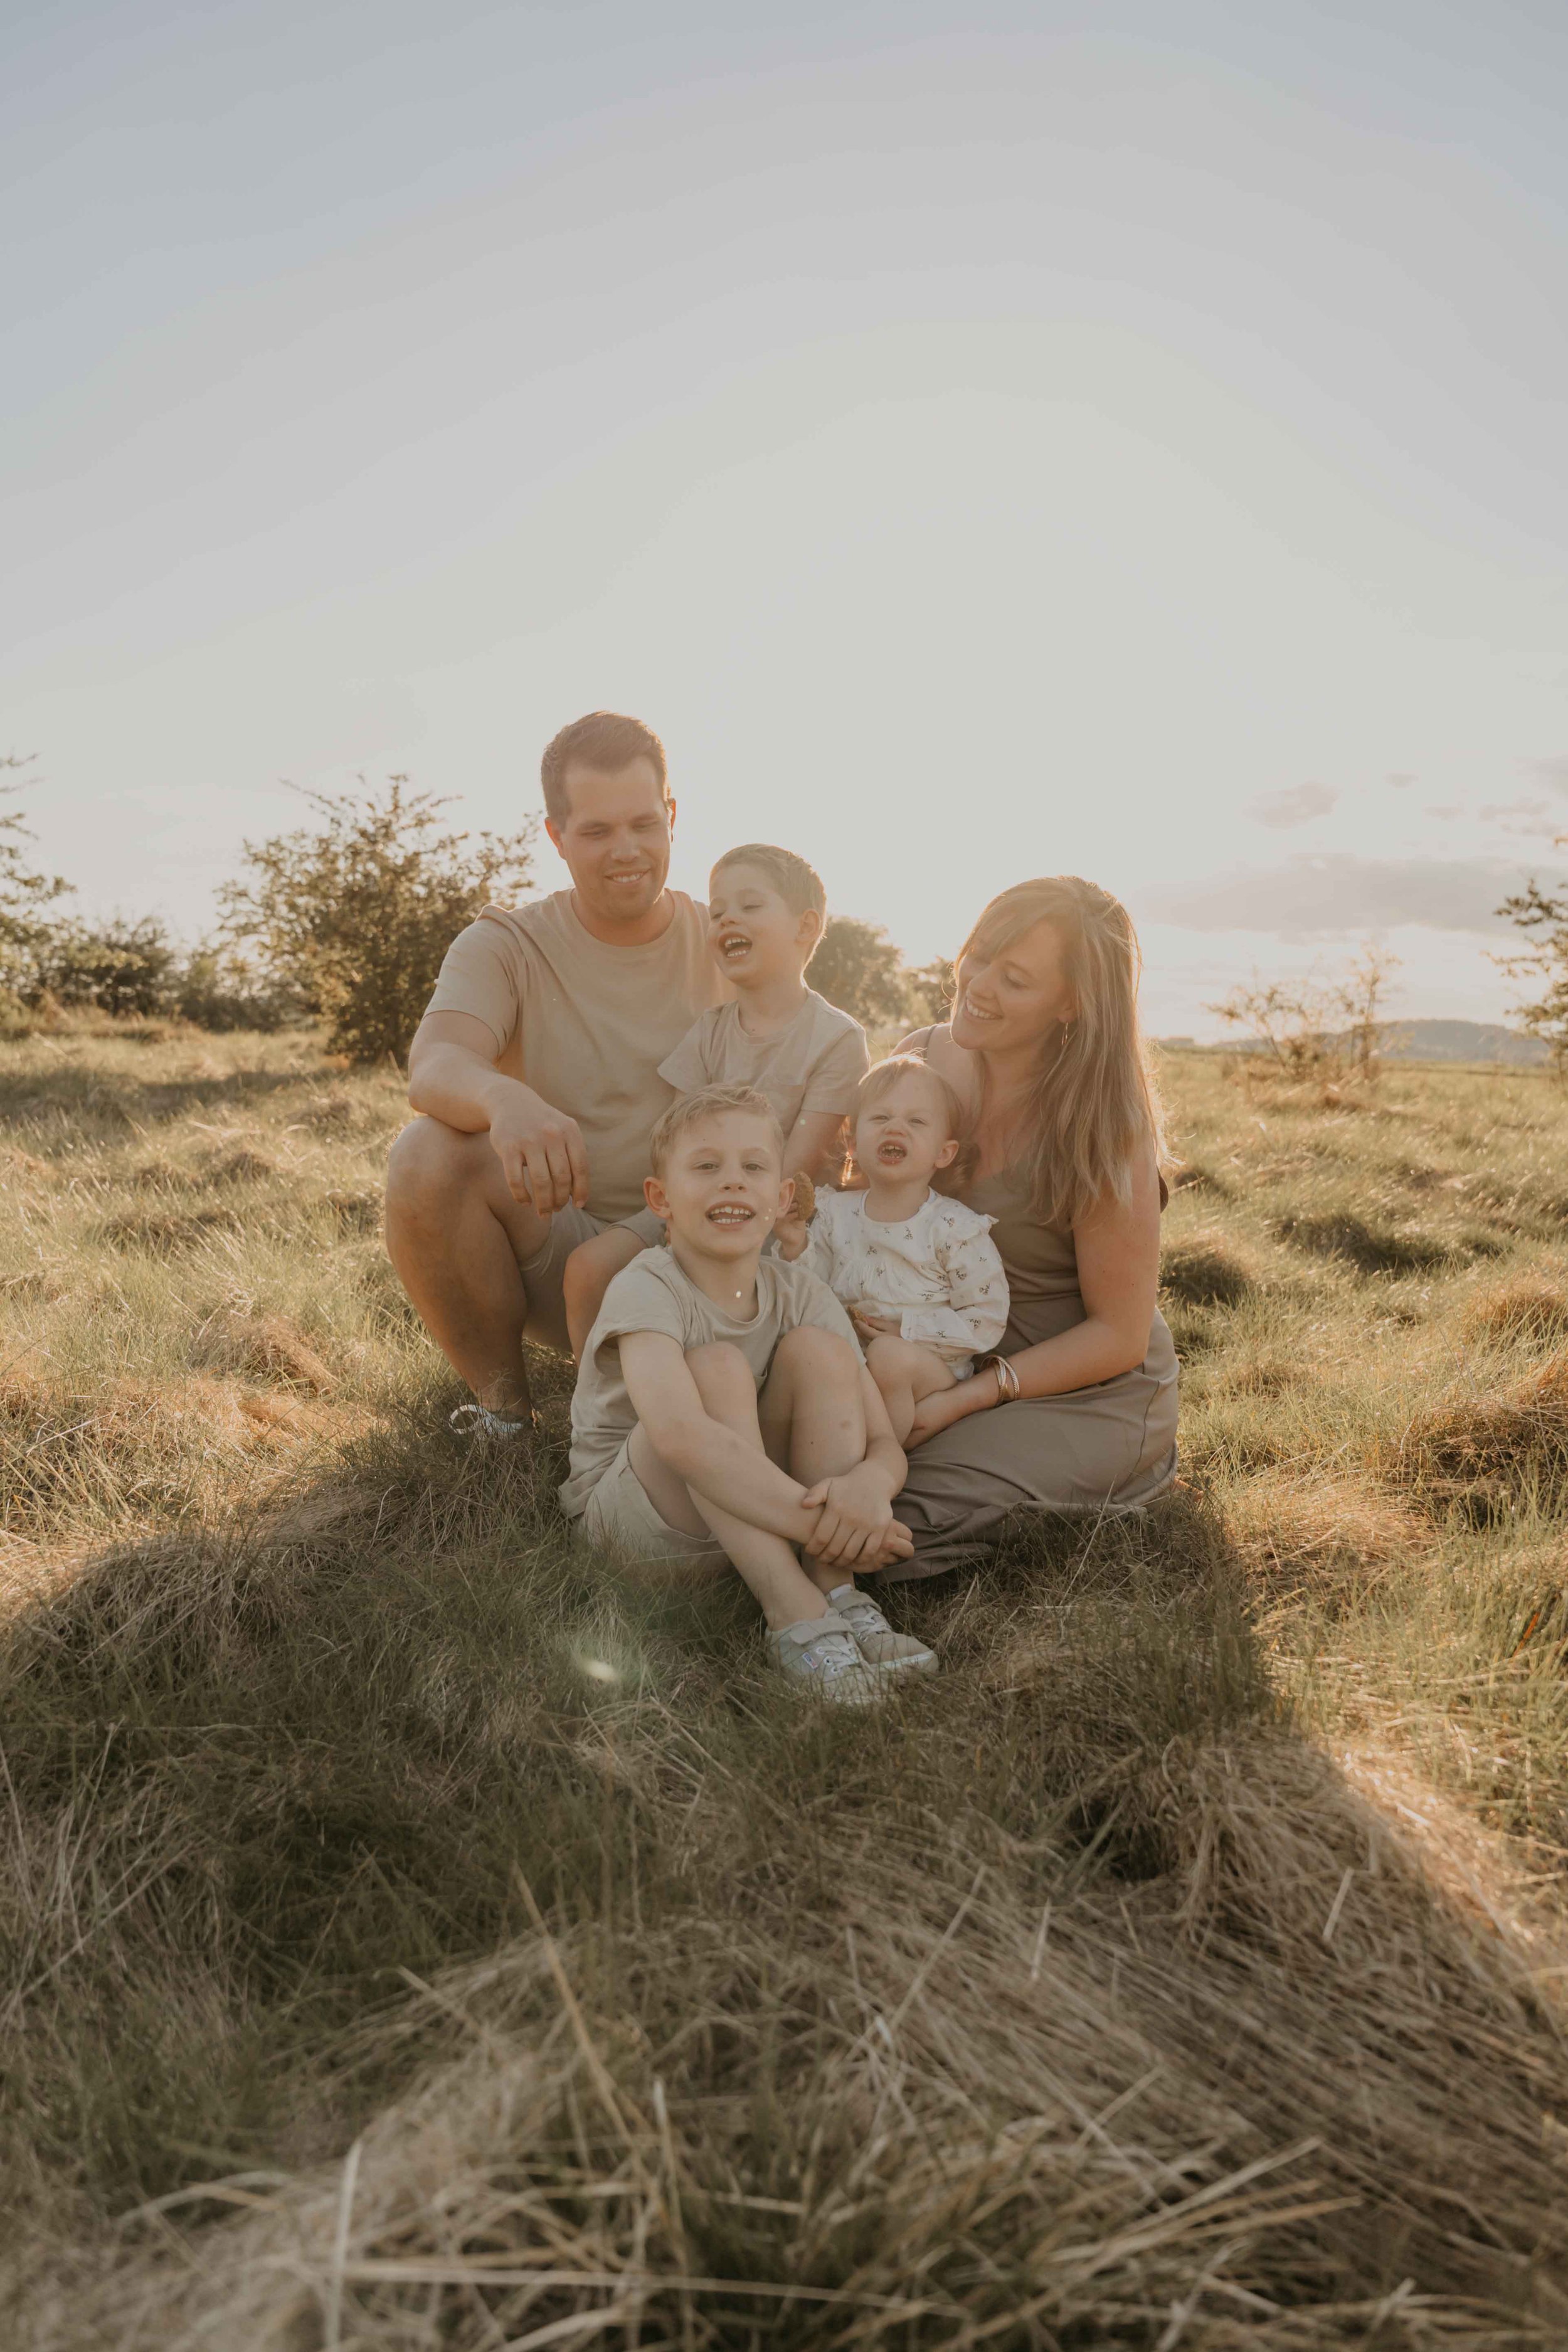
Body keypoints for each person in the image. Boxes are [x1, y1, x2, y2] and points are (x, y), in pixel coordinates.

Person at [384, 711, 726, 1435]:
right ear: (555, 836)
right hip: (560, 1248)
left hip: (709, 1244)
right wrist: (500, 1096)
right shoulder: (505, 944)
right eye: (597, 832)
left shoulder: (727, 939)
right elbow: (435, 1063)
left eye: (643, 824)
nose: (626, 850)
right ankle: (504, 1416)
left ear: (672, 816)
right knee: (424, 1155)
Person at [562, 1083, 936, 1699]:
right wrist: (820, 1523)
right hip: (639, 1524)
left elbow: (880, 1440)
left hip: (752, 1509)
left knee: (820, 1351)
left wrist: (866, 1492)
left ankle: (837, 1592)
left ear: (781, 1197)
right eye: (706, 1167)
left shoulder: (800, 1291)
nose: (732, 1182)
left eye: (753, 1168)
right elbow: (680, 1438)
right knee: (717, 1368)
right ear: (660, 1198)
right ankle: (795, 1612)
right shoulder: (647, 1284)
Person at [881, 876, 1179, 1576]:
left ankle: (1118, 1475)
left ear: (1070, 1002)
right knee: (810, 1470)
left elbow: (1118, 1335)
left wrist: (965, 1401)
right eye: (977, 955)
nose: (977, 984)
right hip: (937, 1355)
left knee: (886, 1521)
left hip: (1074, 1387)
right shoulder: (919, 1059)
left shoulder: (1105, 1129)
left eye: (1013, 978)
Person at [561, 841, 869, 1358]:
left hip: (774, 1219)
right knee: (588, 1268)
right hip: (690, 1203)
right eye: (717, 912)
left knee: (711, 1300)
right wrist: (683, 1213)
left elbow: (796, 1168)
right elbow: (676, 1140)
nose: (727, 921)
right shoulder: (708, 1032)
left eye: (749, 907)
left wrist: (711, 1217)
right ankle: (603, 1414)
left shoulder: (835, 1038)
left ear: (806, 926)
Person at [776, 1056, 1009, 1446]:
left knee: (887, 1357)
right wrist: (795, 1243)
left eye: (916, 1122)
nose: (896, 1127)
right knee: (804, 1354)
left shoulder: (952, 1227)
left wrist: (909, 1330)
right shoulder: (835, 1213)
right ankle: (822, 1451)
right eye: (880, 1118)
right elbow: (811, 1292)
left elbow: (987, 1318)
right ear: (852, 1143)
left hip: (927, 1369)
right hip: (851, 1358)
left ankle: (885, 1456)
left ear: (944, 1153)